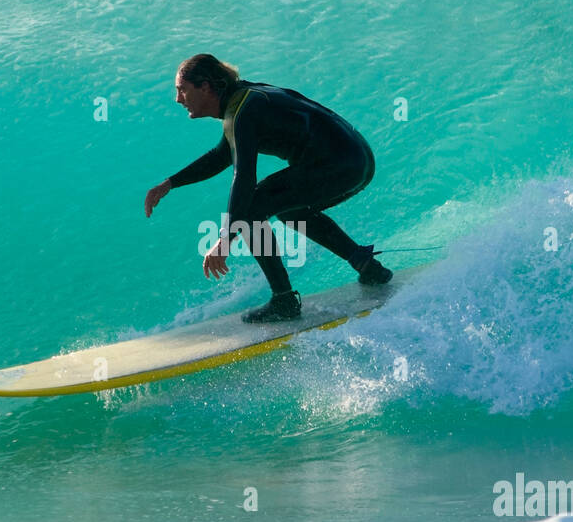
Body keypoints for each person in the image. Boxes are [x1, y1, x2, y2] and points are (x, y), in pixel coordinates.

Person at [144, 53, 393, 323]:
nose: (178, 99)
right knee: (288, 209)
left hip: (341, 165)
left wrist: (225, 238)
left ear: (205, 86)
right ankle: (367, 266)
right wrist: (170, 183)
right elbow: (223, 155)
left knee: (253, 206)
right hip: (357, 160)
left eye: (182, 90)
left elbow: (244, 177)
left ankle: (284, 300)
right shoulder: (242, 100)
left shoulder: (242, 111)